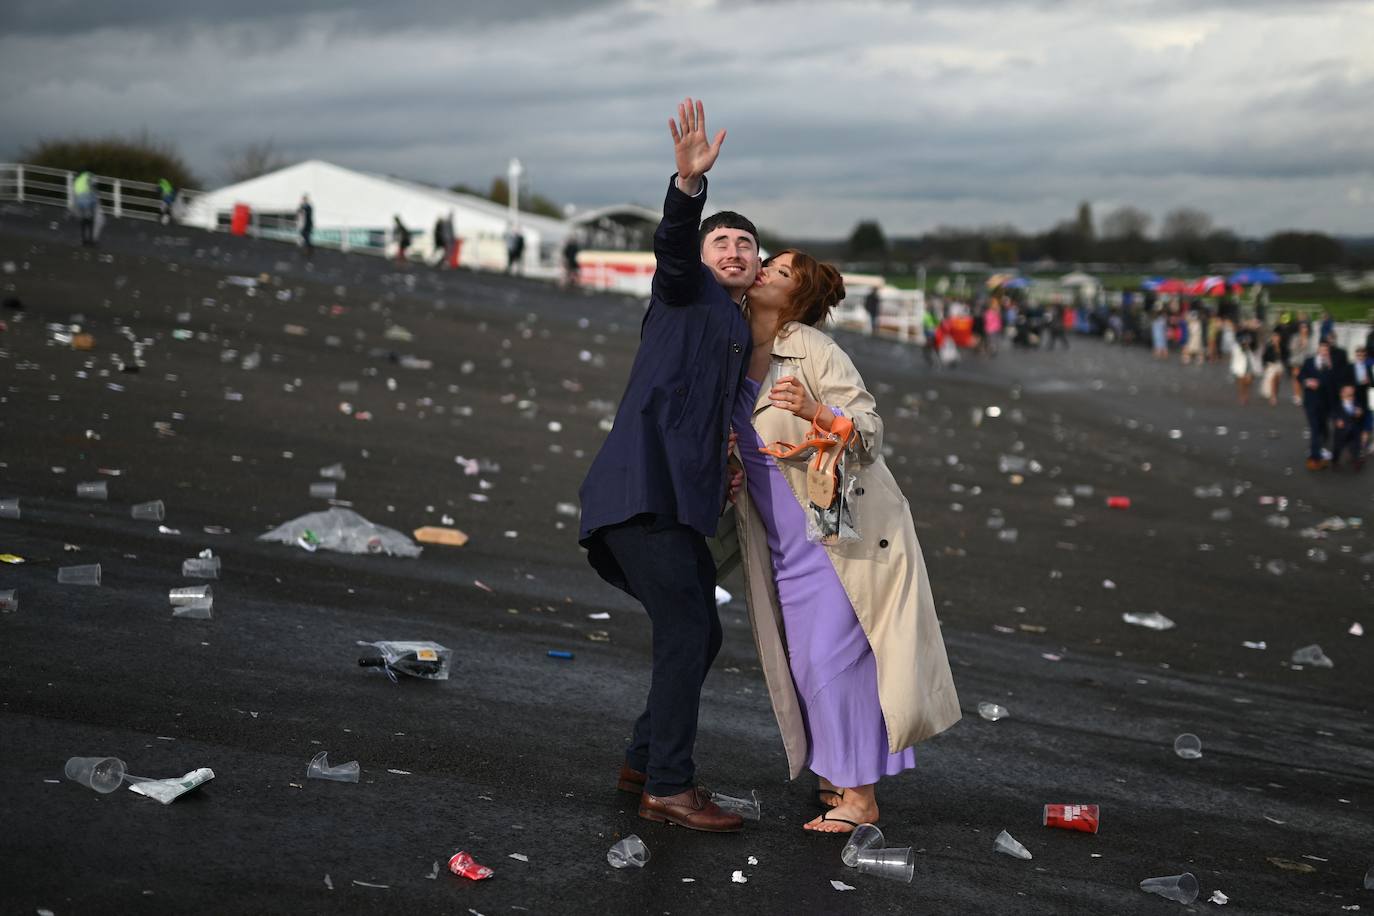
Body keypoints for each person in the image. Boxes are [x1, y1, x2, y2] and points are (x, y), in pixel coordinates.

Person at [729, 248, 960, 833]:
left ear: (796, 299)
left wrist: (816, 411)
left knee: (829, 658)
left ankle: (860, 798)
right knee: (807, 664)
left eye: (779, 273)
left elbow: (869, 433)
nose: (763, 270)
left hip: (834, 530)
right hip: (781, 541)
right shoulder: (732, 348)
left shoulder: (813, 349)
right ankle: (839, 774)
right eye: (768, 264)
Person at [578, 99, 756, 833]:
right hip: (641, 494)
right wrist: (688, 192)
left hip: (673, 503)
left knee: (699, 632)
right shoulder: (688, 294)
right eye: (725, 242)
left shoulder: (736, 330)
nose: (735, 251)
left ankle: (643, 759)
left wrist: (728, 463)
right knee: (688, 627)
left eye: (748, 245)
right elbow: (676, 248)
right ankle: (669, 786)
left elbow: (706, 416)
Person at [1298, 340, 1340, 471]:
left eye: (1326, 351)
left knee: (1323, 429)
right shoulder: (1309, 361)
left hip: (1325, 404)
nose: (1324, 352)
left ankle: (1317, 450)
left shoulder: (1331, 366)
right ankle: (1314, 459)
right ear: (1318, 350)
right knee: (1315, 429)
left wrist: (1330, 368)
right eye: (1322, 350)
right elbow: (1300, 376)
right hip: (1311, 402)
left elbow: (1333, 385)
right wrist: (1307, 381)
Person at [1331, 384, 1365, 471]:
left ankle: (1356, 460)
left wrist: (1359, 412)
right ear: (1342, 394)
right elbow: (1334, 414)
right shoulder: (1338, 405)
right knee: (1337, 448)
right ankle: (1335, 461)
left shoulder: (1355, 402)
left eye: (1351, 393)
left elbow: (1360, 411)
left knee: (1355, 446)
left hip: (1353, 430)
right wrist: (1337, 421)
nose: (1351, 396)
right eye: (1348, 393)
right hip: (1341, 431)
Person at [1260, 330, 1287, 407]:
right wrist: (1264, 365)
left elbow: (1285, 356)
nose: (1276, 338)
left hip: (1280, 364)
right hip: (1271, 365)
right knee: (1273, 378)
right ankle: (1273, 396)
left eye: (1277, 337)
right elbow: (1264, 357)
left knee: (1277, 381)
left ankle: (1274, 394)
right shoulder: (1269, 346)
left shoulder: (1282, 346)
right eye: (1274, 337)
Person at [73, 167, 98, 246]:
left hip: (79, 202)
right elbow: (94, 186)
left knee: (83, 220)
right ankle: (90, 240)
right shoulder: (89, 176)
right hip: (88, 200)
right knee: (90, 220)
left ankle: (84, 240)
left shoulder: (77, 179)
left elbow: (76, 191)